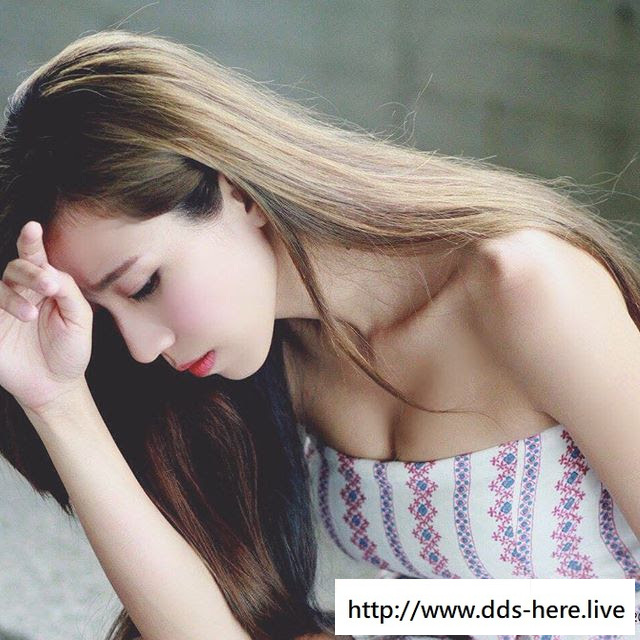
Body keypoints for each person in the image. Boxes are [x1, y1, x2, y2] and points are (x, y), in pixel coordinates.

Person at [0, 30, 638, 640]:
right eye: (107, 316)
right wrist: (57, 403)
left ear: (238, 192)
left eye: (143, 285)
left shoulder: (524, 290)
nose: (143, 348)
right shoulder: (274, 357)